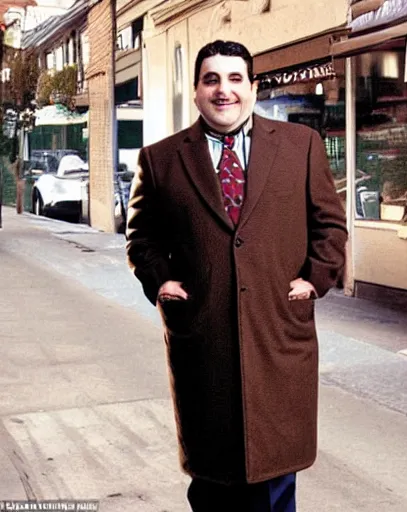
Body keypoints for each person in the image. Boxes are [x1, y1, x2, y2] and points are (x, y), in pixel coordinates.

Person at [126, 40, 347, 512]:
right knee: (211, 480)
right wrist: (160, 280)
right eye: (211, 79)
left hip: (279, 334)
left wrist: (316, 279)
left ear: (253, 86)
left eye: (234, 79)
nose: (223, 90)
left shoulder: (300, 146)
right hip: (203, 339)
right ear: (197, 90)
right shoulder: (161, 159)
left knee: (275, 479)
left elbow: (330, 223)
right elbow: (141, 235)